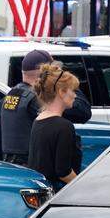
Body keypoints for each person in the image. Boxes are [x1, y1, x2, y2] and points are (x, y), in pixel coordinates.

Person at [0, 49, 91, 163]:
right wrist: (66, 83)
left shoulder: (10, 96)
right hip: (35, 170)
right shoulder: (38, 99)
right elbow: (83, 113)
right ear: (45, 72)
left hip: (13, 168)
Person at [27, 63, 82, 192]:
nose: (75, 95)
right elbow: (63, 171)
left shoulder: (38, 120)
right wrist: (81, 186)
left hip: (41, 191)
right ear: (61, 92)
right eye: (72, 90)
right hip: (58, 193)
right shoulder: (64, 126)